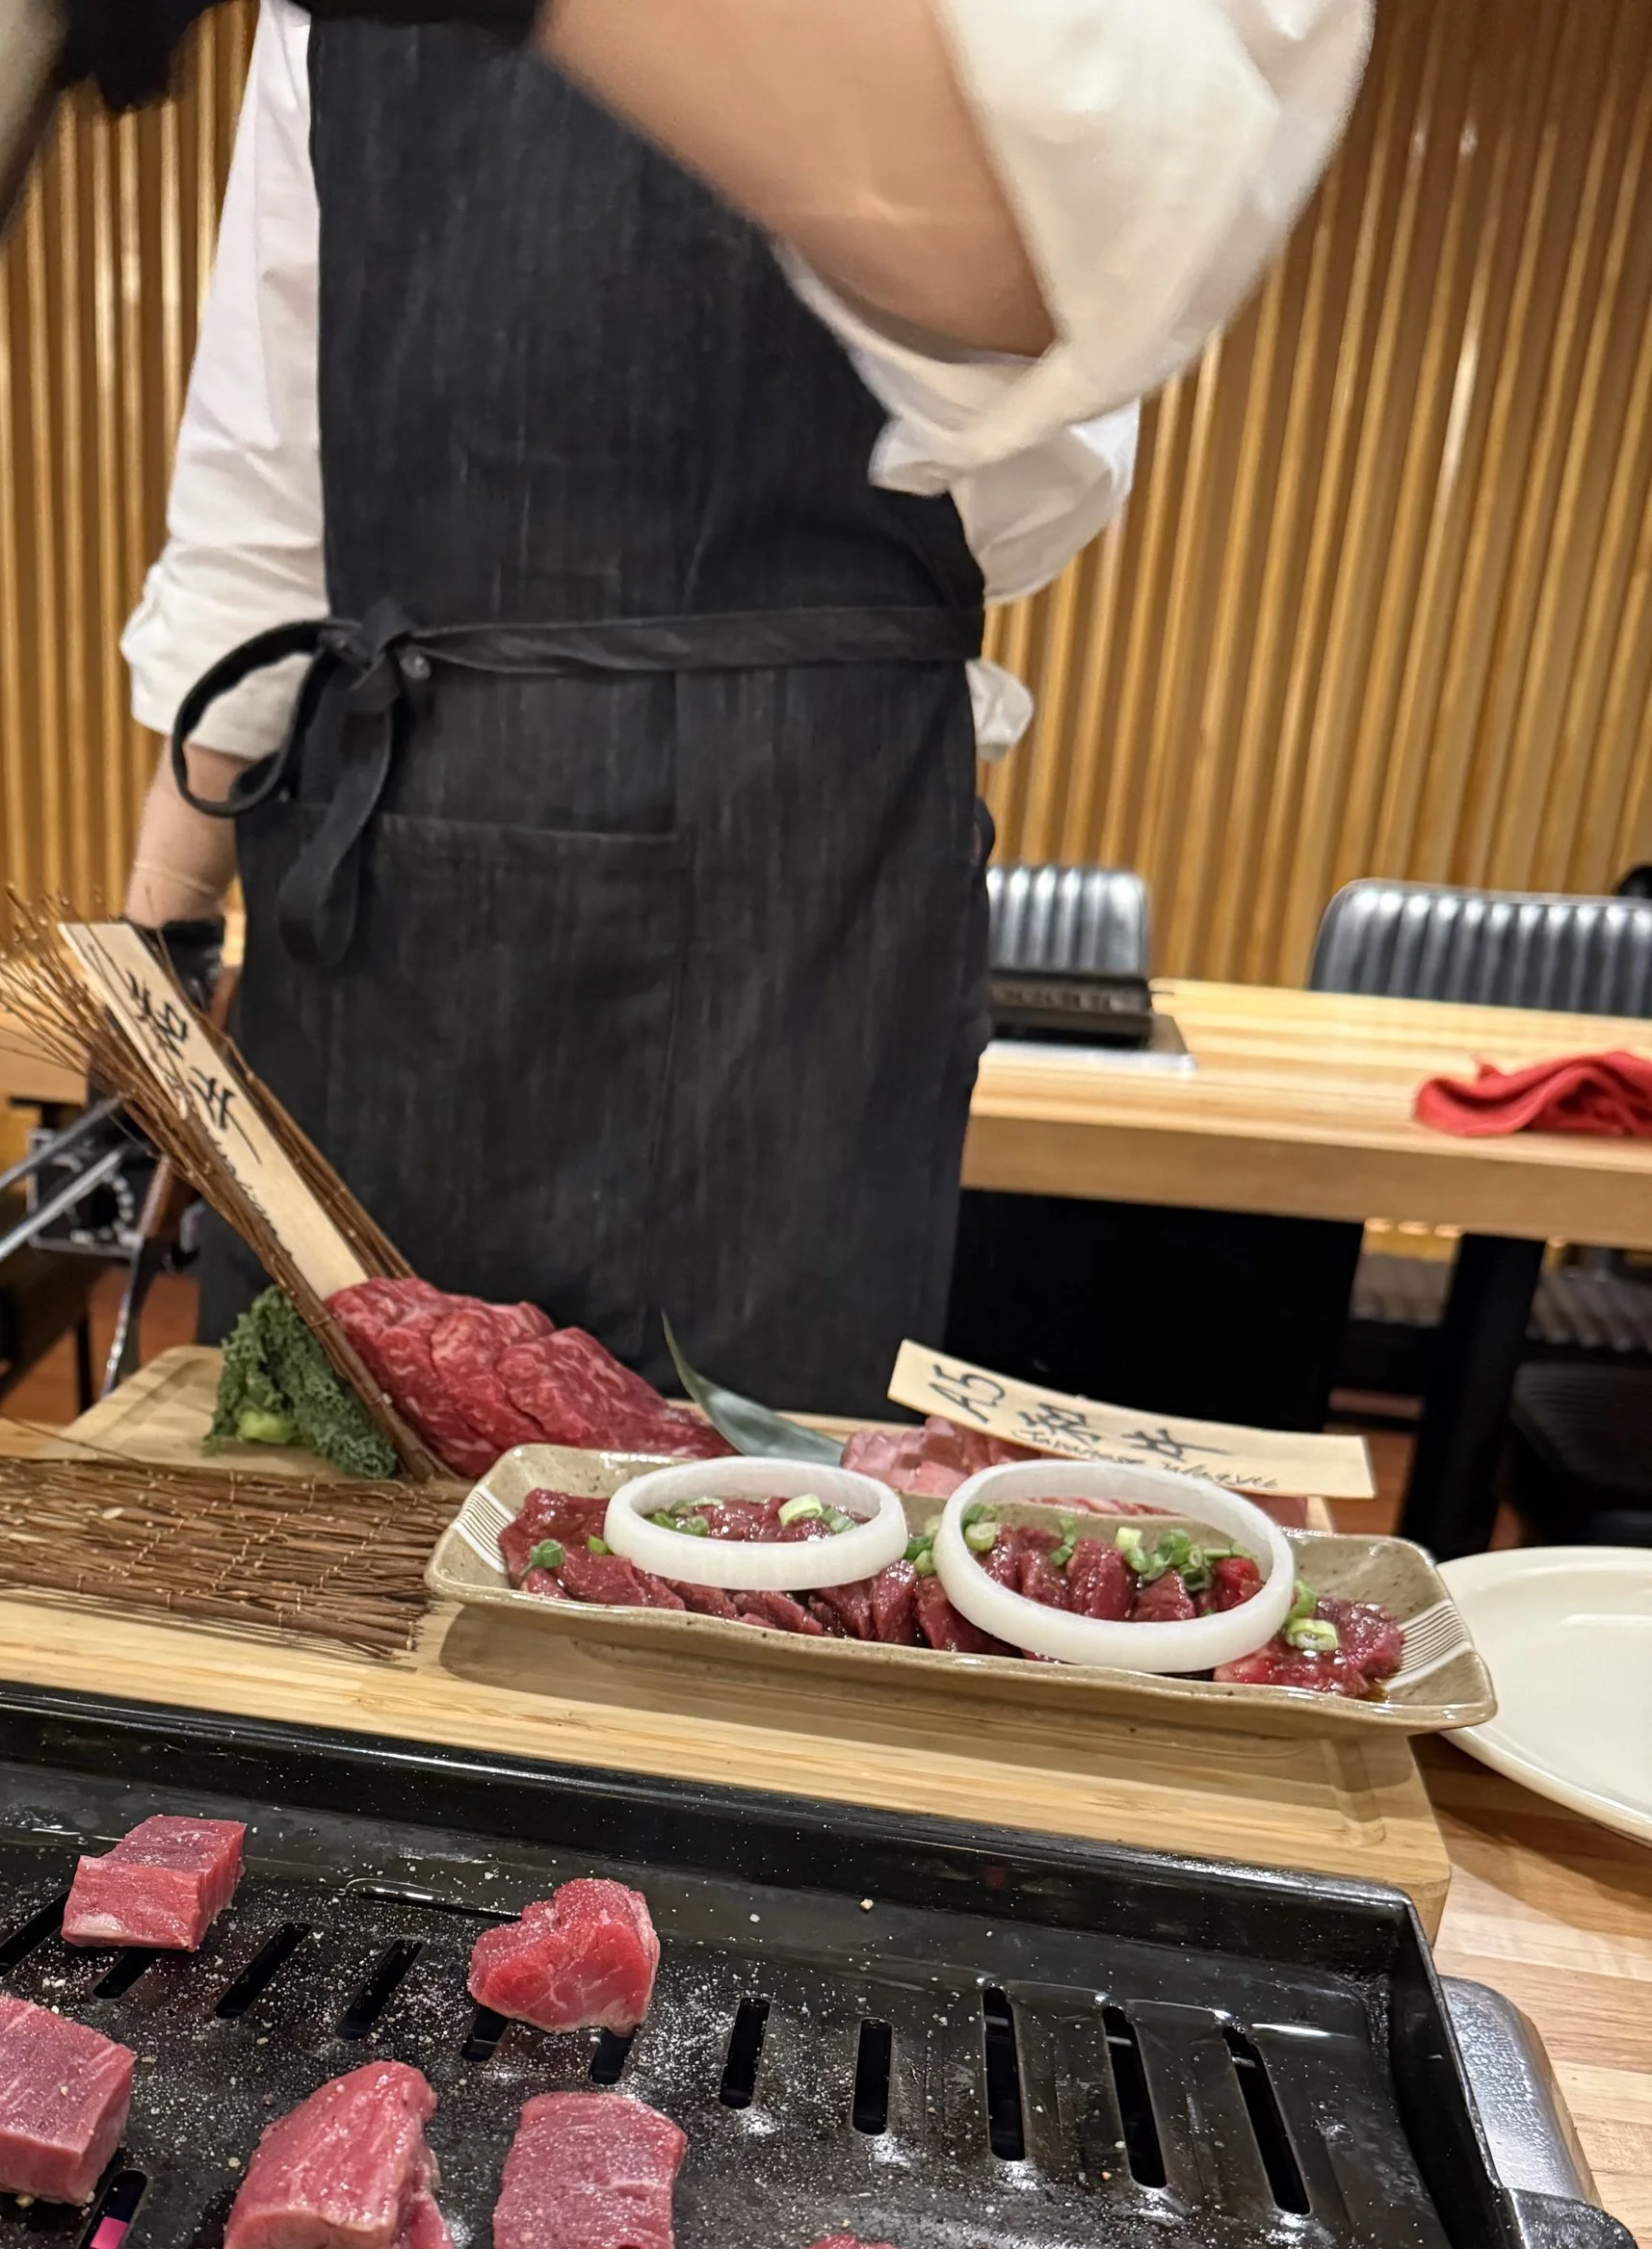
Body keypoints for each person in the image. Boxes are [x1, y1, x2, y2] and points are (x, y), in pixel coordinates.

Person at [84, 0, 1372, 1411]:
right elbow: (267, 484)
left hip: (789, 905)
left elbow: (1051, 241)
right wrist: (167, 926)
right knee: (304, 1517)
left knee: (738, 1548)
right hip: (370, 890)